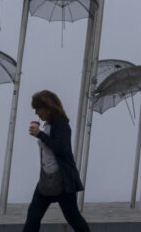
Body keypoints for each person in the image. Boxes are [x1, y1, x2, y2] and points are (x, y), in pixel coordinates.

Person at [23, 90, 91, 232]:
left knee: (73, 217)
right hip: (46, 180)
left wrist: (40, 135)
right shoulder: (48, 124)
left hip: (62, 180)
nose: (36, 113)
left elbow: (62, 149)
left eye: (38, 108)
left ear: (48, 107)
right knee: (33, 217)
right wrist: (41, 134)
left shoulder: (61, 124)